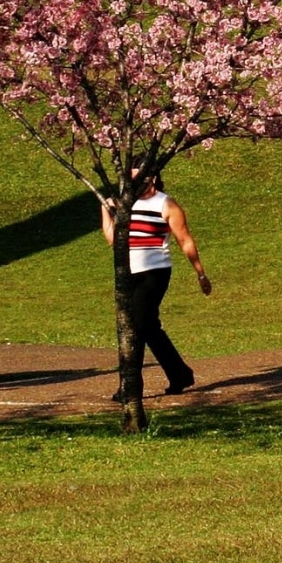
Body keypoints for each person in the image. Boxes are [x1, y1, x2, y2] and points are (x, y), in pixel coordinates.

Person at [99, 171, 211, 401]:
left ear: (153, 176)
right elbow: (112, 239)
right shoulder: (126, 203)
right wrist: (105, 208)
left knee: (136, 327)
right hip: (128, 274)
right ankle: (179, 374)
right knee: (148, 327)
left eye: (140, 177)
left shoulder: (166, 204)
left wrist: (200, 273)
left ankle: (130, 386)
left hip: (155, 273)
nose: (135, 182)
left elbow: (185, 239)